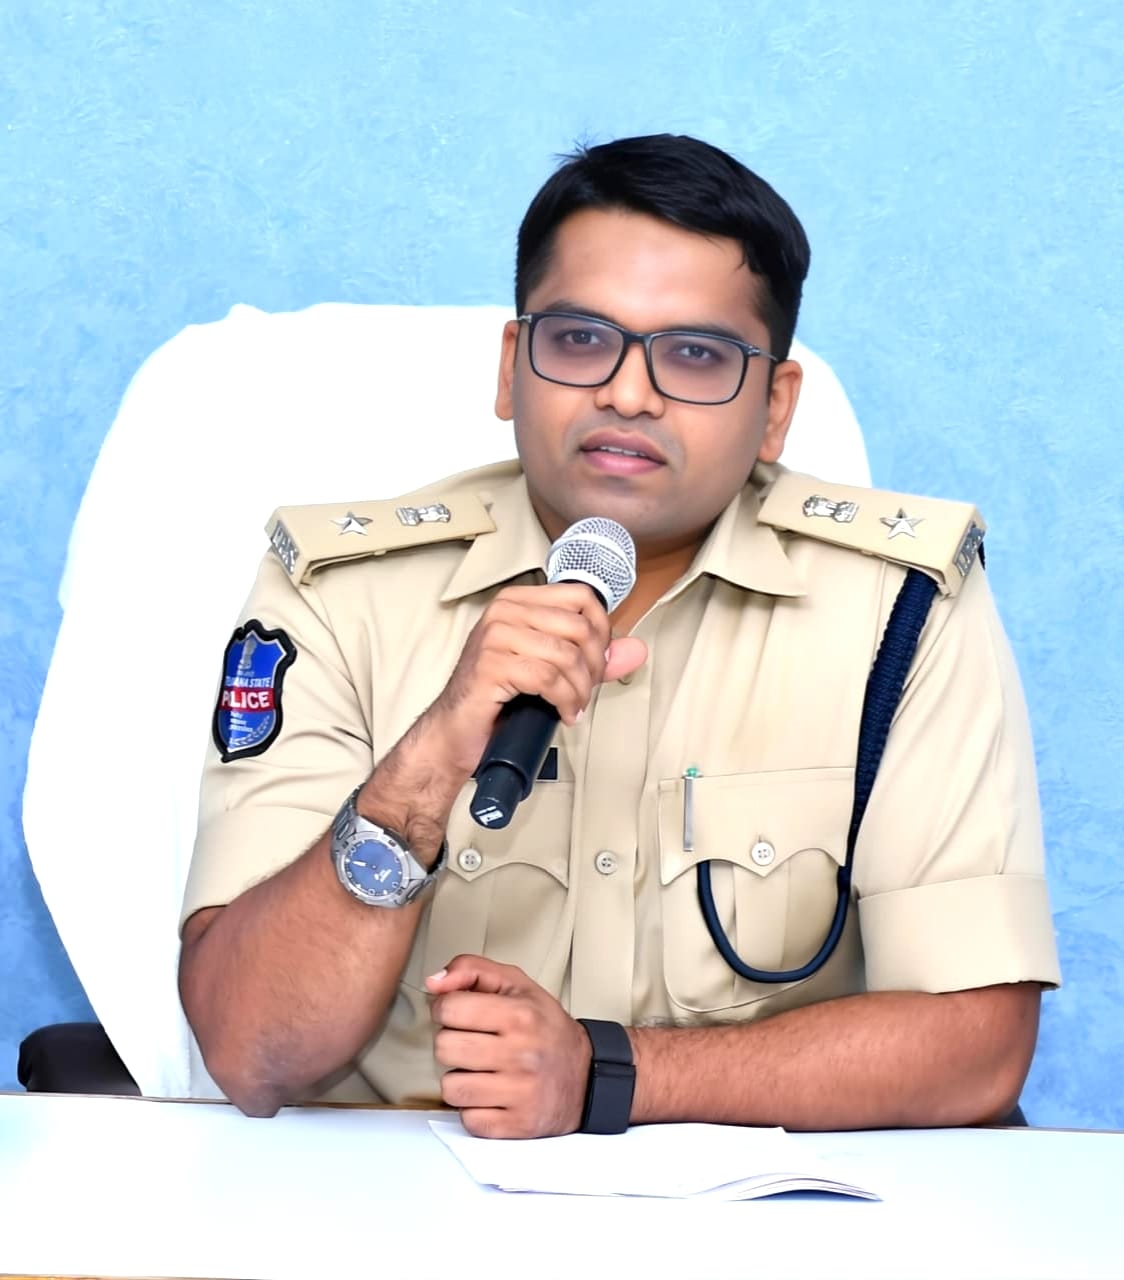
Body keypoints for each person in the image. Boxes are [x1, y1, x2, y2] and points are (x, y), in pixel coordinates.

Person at [178, 133, 1060, 1137]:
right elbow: (251, 1050)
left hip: (763, 1204)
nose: (628, 393)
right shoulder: (340, 593)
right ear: (512, 368)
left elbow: (978, 1045)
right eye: (580, 339)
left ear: (774, 408)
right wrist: (422, 766)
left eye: (695, 355)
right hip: (399, 1197)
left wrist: (607, 1074)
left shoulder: (898, 608)